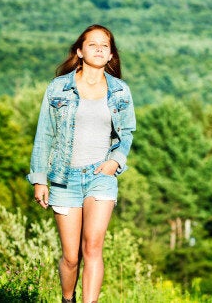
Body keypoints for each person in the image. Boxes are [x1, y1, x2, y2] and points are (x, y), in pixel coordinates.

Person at [27, 24, 136, 303]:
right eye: (92, 44)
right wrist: (39, 179)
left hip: (101, 175)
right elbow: (44, 134)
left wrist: (115, 162)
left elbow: (126, 133)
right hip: (64, 178)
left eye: (105, 45)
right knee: (71, 256)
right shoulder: (58, 87)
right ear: (80, 50)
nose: (99, 48)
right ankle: (67, 298)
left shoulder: (120, 91)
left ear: (111, 54)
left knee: (93, 247)